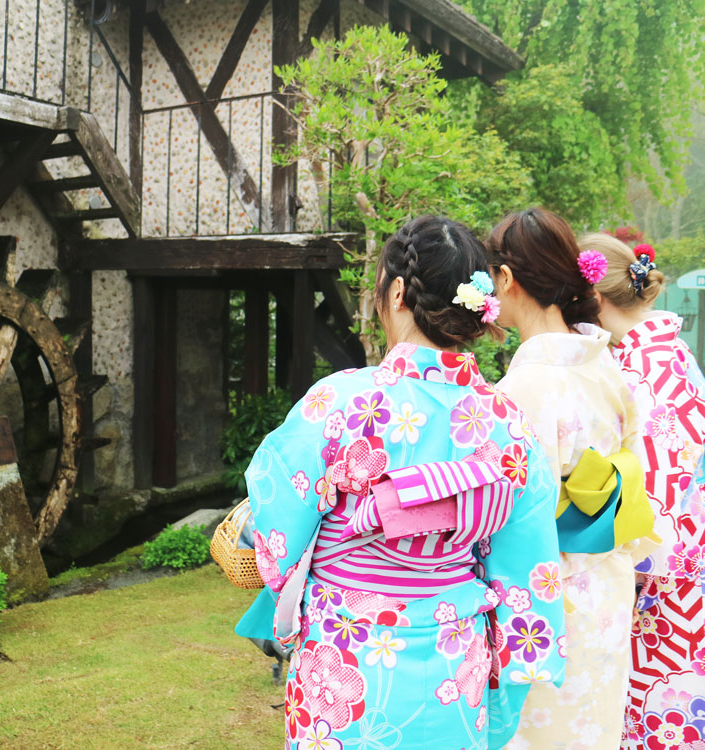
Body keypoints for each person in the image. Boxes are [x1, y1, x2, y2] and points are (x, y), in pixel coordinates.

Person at [235, 215, 565, 750]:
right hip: (456, 663)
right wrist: (509, 683)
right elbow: (529, 570)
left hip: (346, 656)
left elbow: (278, 521)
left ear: (394, 291)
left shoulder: (340, 402)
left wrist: (288, 582)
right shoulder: (509, 423)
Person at [486, 208, 656, 750]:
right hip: (604, 582)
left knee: (539, 735)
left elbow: (504, 512)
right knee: (593, 729)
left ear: (507, 281)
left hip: (543, 598)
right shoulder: (605, 365)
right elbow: (633, 473)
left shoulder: (524, 389)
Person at [581, 232, 705, 749]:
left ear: (592, 298)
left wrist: (623, 576)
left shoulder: (643, 368)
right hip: (686, 555)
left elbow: (655, 487)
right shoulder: (665, 352)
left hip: (663, 574)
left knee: (660, 716)